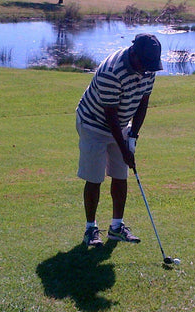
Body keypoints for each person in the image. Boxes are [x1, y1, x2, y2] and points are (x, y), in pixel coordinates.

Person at [76, 33, 163, 247]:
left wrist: (133, 136)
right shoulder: (111, 72)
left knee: (120, 174)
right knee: (95, 177)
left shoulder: (148, 68)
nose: (146, 70)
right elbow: (110, 115)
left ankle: (116, 227)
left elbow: (144, 102)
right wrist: (124, 149)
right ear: (134, 53)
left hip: (122, 124)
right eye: (144, 64)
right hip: (93, 123)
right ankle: (90, 229)